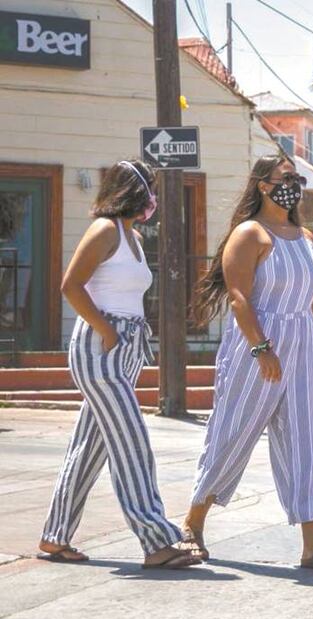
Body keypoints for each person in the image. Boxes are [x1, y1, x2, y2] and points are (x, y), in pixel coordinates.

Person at [182, 154, 313, 571]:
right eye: (285, 176)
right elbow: (239, 298)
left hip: (305, 346)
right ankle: (193, 522)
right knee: (233, 432)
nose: (292, 183)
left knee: (310, 439)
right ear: (263, 184)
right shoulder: (250, 234)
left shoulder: (305, 238)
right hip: (257, 346)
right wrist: (262, 348)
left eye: (295, 177)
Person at [39, 160, 200, 569]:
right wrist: (107, 332)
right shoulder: (105, 230)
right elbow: (70, 286)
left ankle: (55, 536)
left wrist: (123, 339)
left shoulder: (132, 236)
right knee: (132, 443)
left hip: (124, 346)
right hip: (100, 346)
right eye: (149, 189)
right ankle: (157, 540)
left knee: (89, 448)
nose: (153, 200)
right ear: (132, 190)